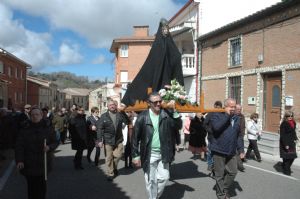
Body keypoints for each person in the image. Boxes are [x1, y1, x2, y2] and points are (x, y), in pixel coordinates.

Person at [132, 92, 182, 199]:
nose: (158, 104)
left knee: (164, 178)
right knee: (151, 180)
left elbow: (178, 126)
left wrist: (174, 111)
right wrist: (135, 155)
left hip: (164, 152)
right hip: (149, 153)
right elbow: (135, 138)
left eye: (160, 101)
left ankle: (153, 196)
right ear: (149, 103)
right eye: (155, 102)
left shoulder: (167, 114)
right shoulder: (142, 117)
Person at [15, 107, 58, 199]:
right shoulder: (24, 128)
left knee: (42, 187)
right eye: (32, 115)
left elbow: (55, 142)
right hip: (28, 163)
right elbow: (19, 146)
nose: (35, 116)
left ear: (42, 115)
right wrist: (19, 160)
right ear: (30, 116)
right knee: (31, 188)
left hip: (43, 163)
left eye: (37, 114)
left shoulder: (48, 127)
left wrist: (49, 147)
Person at [209, 98, 244, 199]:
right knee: (219, 174)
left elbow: (238, 136)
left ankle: (222, 188)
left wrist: (241, 150)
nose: (233, 109)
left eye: (234, 106)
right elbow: (216, 128)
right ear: (225, 107)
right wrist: (227, 116)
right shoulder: (217, 115)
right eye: (231, 107)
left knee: (233, 171)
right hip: (219, 149)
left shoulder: (237, 118)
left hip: (231, 150)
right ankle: (221, 195)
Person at [96, 99, 129, 181]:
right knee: (109, 158)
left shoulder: (120, 114)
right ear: (107, 106)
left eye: (113, 104)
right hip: (108, 140)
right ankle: (110, 173)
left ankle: (113, 167)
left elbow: (127, 122)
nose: (112, 106)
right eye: (110, 105)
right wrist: (100, 140)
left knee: (118, 155)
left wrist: (123, 112)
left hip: (118, 139)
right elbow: (99, 128)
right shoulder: (104, 116)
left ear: (115, 106)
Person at [204, 100, 222, 173]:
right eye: (216, 107)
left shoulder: (223, 114)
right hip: (211, 137)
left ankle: (216, 165)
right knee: (210, 151)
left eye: (219, 108)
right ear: (214, 107)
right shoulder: (210, 114)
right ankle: (210, 164)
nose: (218, 109)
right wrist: (210, 130)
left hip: (220, 137)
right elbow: (204, 124)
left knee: (217, 152)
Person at [279, 110, 298, 176]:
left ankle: (285, 167)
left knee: (292, 157)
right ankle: (287, 171)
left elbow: (293, 132)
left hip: (292, 142)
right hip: (286, 142)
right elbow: (282, 135)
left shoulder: (293, 122)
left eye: (291, 116)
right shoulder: (284, 123)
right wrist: (285, 144)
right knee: (287, 157)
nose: (290, 117)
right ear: (286, 116)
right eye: (288, 116)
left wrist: (296, 138)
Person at [235, 104, 246, 171]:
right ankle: (239, 165)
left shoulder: (242, 116)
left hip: (240, 135)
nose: (239, 110)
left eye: (240, 109)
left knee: (240, 149)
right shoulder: (233, 116)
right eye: (238, 109)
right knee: (236, 150)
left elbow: (243, 125)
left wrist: (243, 133)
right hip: (233, 135)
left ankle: (240, 163)